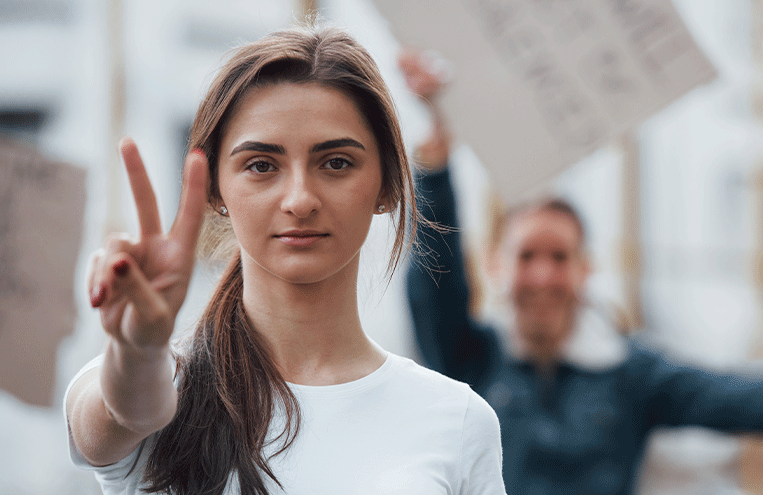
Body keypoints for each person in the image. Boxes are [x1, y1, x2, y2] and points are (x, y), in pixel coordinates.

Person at [64, 27, 505, 495]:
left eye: (336, 163)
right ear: (216, 189)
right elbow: (124, 412)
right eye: (261, 165)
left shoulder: (457, 420)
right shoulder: (154, 382)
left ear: (388, 185)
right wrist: (138, 350)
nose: (299, 199)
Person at [400, 50, 763, 495]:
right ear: (496, 267)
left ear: (585, 270)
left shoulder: (631, 374)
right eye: (527, 256)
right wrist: (435, 161)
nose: (543, 276)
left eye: (559, 258)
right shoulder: (470, 359)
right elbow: (435, 283)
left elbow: (742, 402)